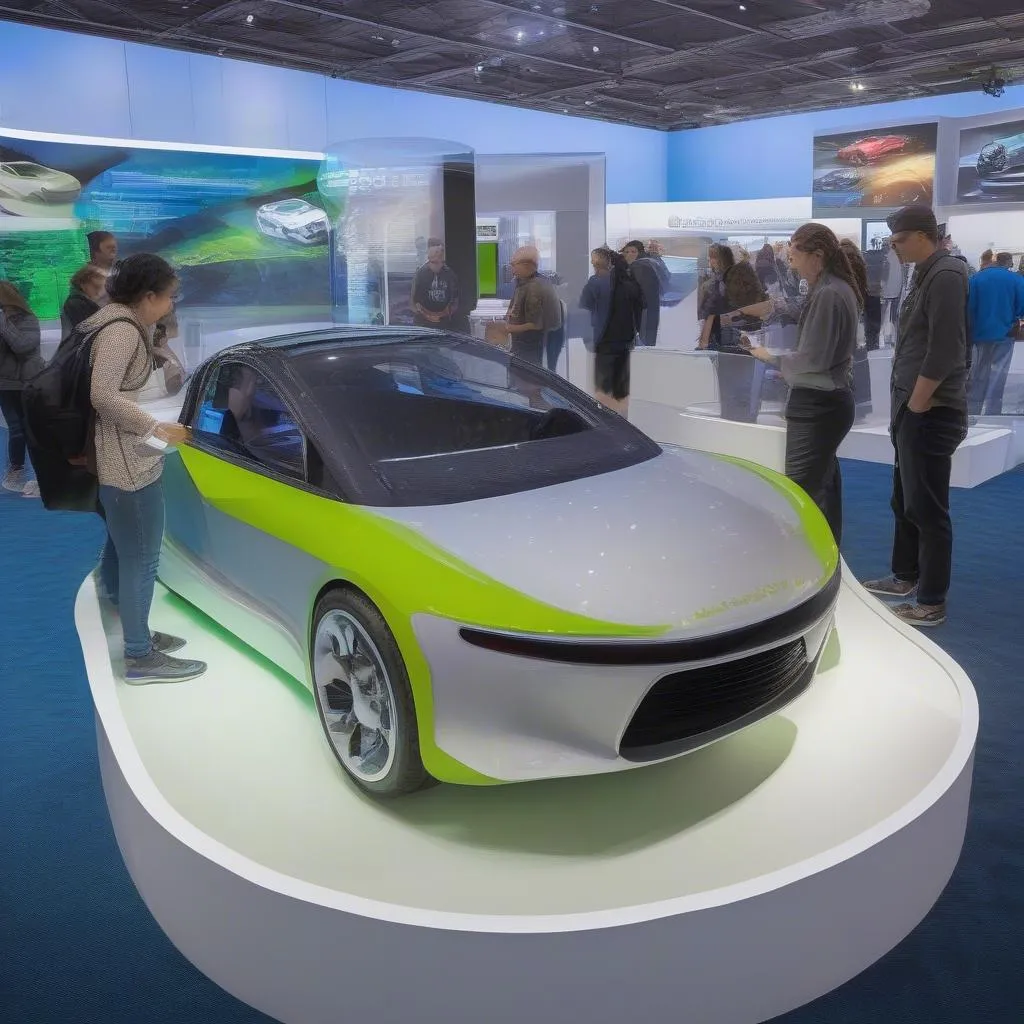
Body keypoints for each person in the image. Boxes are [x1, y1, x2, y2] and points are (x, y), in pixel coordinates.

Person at [86, 254, 207, 684]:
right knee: (142, 558)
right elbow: (103, 394)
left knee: (126, 551)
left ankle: (137, 631)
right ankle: (139, 656)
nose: (171, 306)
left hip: (122, 460)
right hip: (128, 465)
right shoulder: (121, 332)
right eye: (169, 297)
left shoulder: (113, 322)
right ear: (148, 295)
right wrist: (153, 425)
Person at [861, 206, 969, 628]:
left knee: (927, 507)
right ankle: (905, 576)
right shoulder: (924, 271)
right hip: (912, 405)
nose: (894, 246)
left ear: (923, 235)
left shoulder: (945, 275)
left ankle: (931, 600)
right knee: (905, 498)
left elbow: (944, 349)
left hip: (931, 410)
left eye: (900, 239)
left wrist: (919, 403)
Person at [743, 224, 862, 545]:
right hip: (825, 401)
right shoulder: (835, 289)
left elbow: (814, 358)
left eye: (794, 255)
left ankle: (810, 567)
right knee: (821, 485)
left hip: (818, 404)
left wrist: (770, 357)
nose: (791, 263)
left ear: (817, 255)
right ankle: (825, 558)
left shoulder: (828, 293)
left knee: (803, 491)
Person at [966, 248, 1024, 416]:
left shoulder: (975, 278)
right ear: (1008, 264)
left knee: (978, 372)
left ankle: (972, 411)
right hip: (1004, 334)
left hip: (978, 334)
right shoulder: (1015, 280)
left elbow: (968, 307)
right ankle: (993, 413)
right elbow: (1021, 306)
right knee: (998, 374)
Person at [0, 281, 45, 496]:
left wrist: (3, 323)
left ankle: (43, 477)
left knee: (32, 429)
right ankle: (15, 472)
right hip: (4, 384)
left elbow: (23, 346)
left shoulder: (28, 319)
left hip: (27, 382)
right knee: (16, 429)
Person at [589, 247, 644, 415]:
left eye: (595, 264)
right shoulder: (631, 284)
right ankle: (621, 422)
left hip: (605, 341)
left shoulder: (597, 283)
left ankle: (605, 421)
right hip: (624, 341)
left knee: (603, 387)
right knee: (620, 387)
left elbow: (589, 311)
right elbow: (640, 311)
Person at [502, 246, 561, 366]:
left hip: (530, 345)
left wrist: (506, 329)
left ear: (526, 265)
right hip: (522, 344)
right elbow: (514, 306)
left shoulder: (535, 286)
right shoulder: (523, 282)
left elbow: (535, 324)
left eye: (514, 265)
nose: (512, 270)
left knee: (527, 379)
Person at [621, 240, 663, 346]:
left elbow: (639, 294)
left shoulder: (639, 266)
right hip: (650, 309)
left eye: (630, 252)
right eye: (625, 252)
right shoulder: (650, 262)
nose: (627, 255)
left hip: (643, 311)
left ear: (637, 253)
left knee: (643, 343)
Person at [411, 238, 459, 330]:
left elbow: (455, 302)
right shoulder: (420, 274)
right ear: (428, 253)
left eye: (440, 251)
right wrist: (427, 316)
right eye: (435, 250)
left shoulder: (450, 275)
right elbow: (413, 302)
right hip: (423, 326)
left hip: (444, 325)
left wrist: (442, 315)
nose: (438, 253)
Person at [61, 264, 107, 337]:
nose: (98, 292)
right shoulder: (76, 303)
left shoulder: (83, 301)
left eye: (99, 288)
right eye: (95, 287)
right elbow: (89, 330)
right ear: (83, 284)